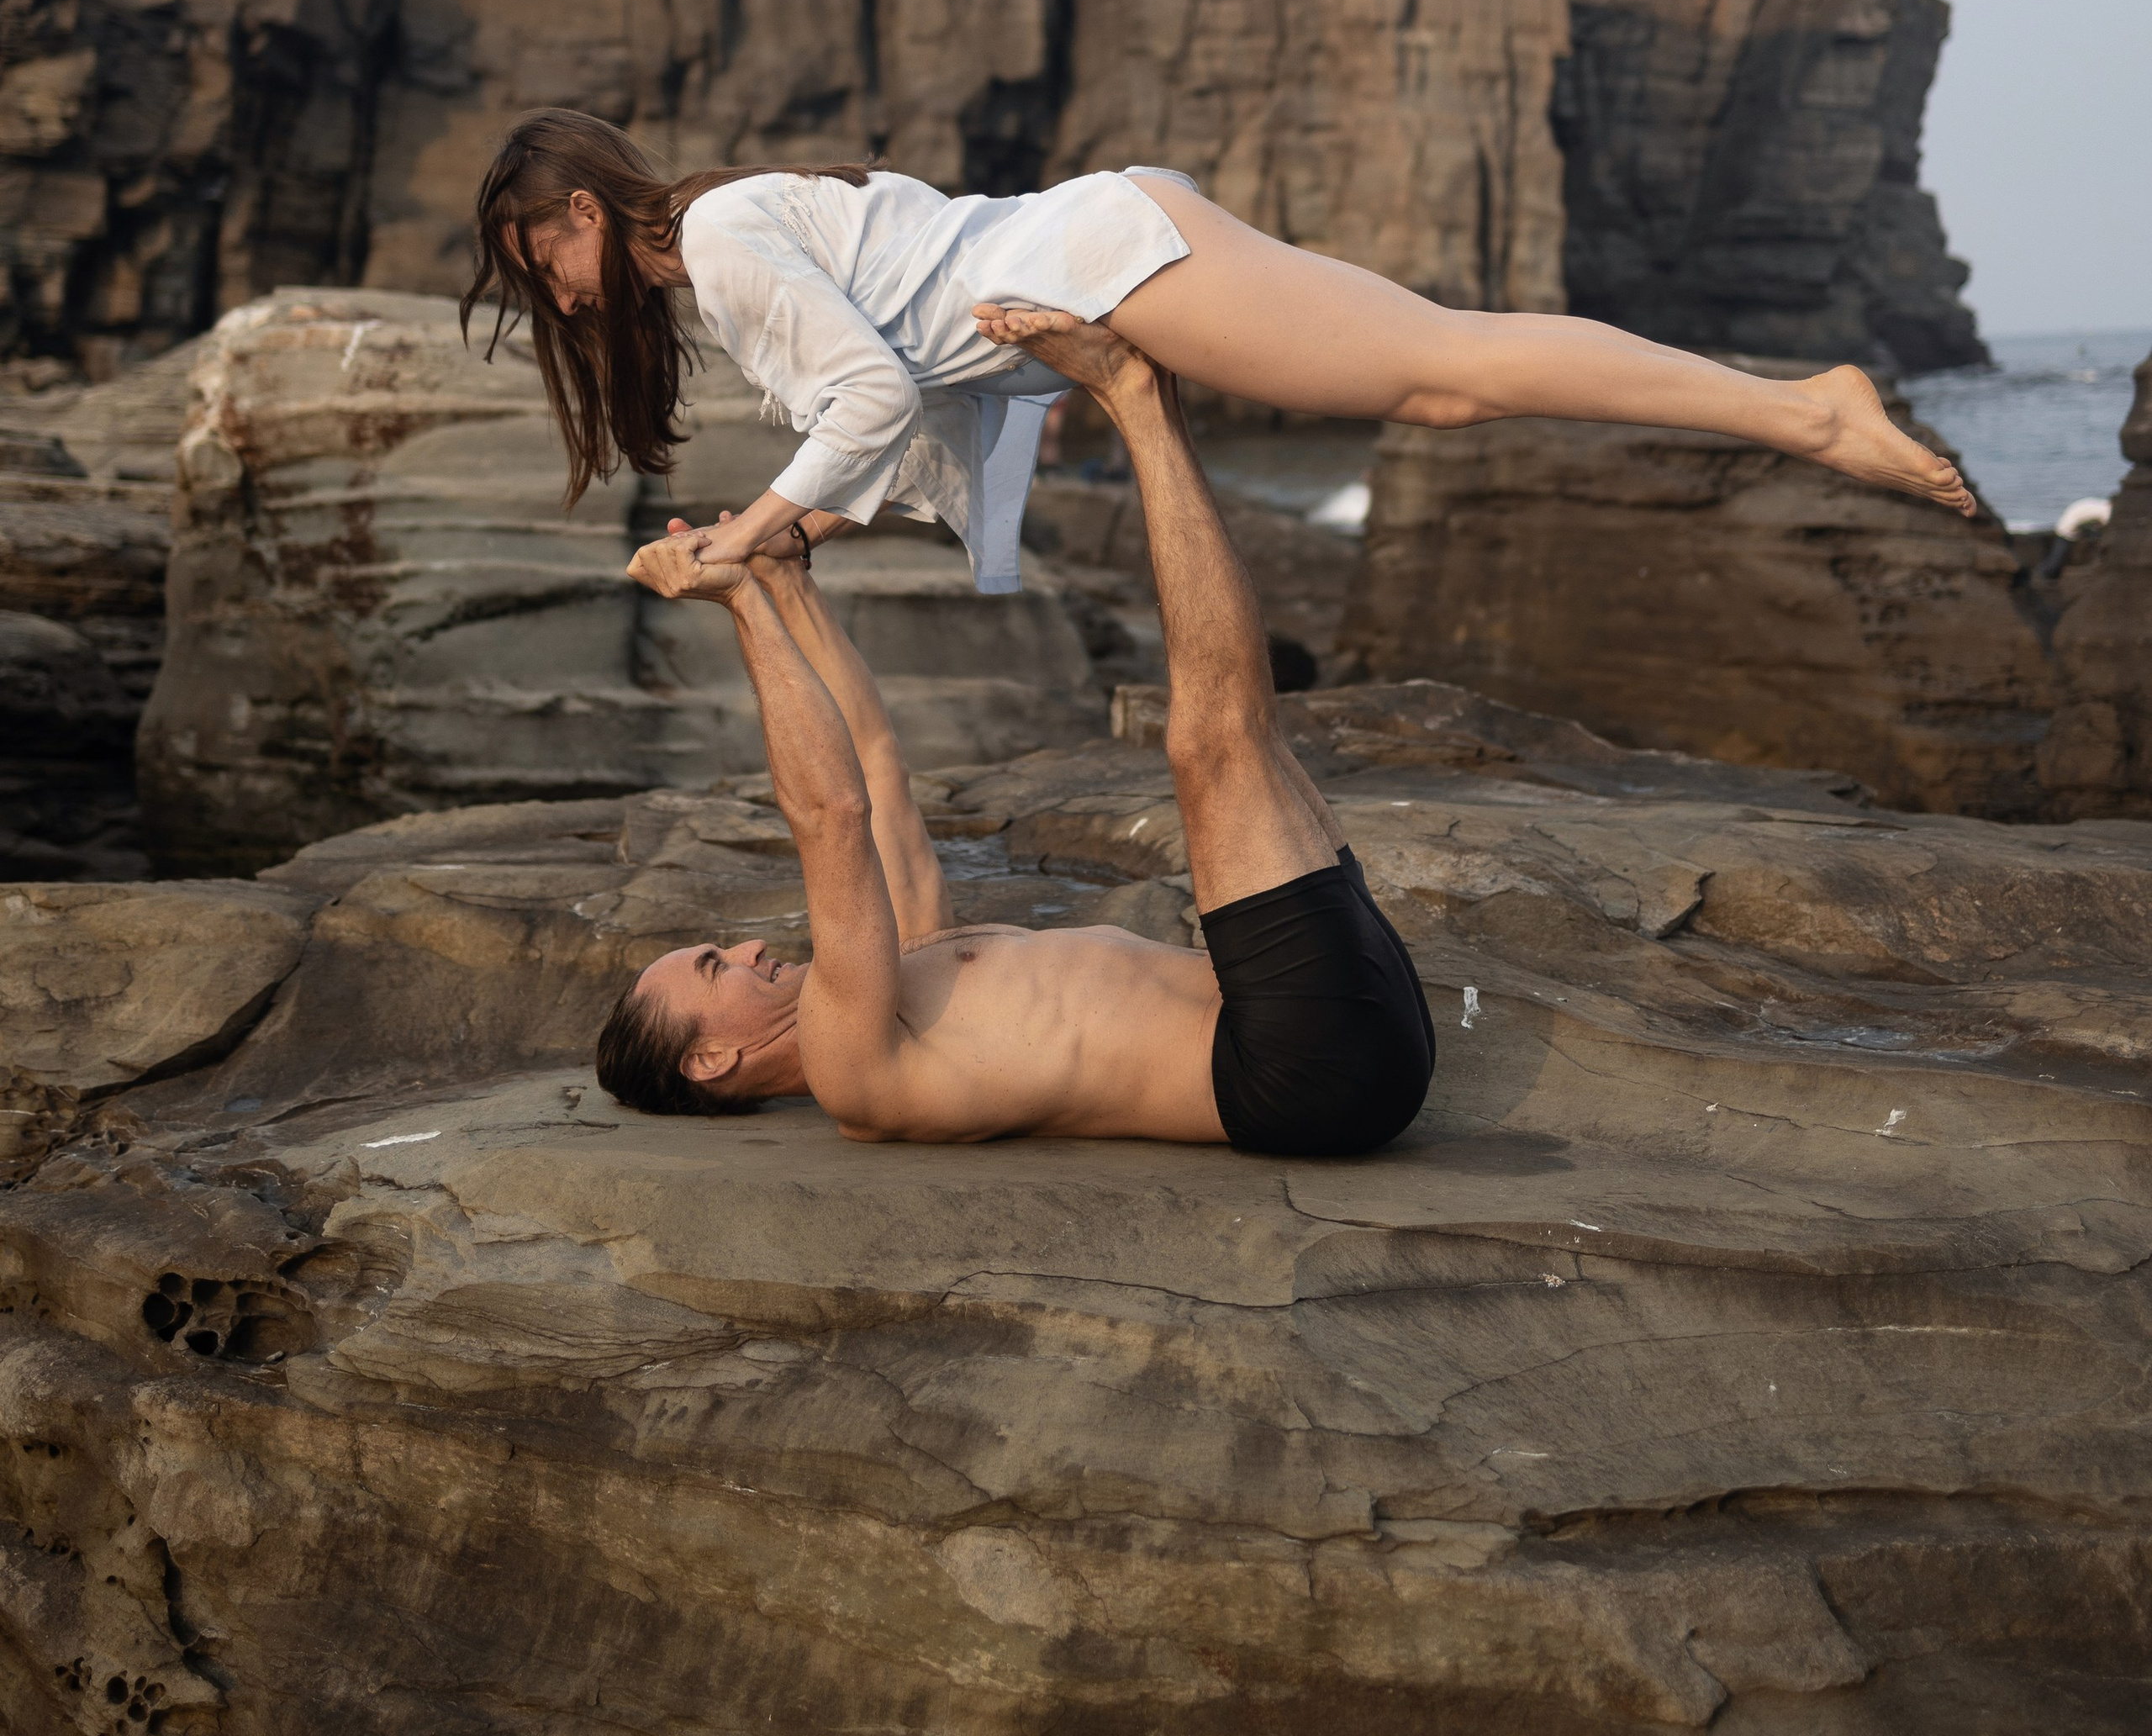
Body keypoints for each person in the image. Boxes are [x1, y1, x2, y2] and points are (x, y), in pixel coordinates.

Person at [466, 109, 1973, 590]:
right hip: (1107, 241)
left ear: (583, 209)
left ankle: (1808, 412)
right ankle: (1800, 412)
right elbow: (893, 411)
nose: (561, 298)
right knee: (1445, 373)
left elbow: (860, 399)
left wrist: (753, 529)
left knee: (1446, 372)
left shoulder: (720, 237)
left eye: (546, 261)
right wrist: (776, 533)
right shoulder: (727, 237)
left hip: (1107, 260)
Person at [595, 312, 1434, 1153]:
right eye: (717, 968)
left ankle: (1146, 390)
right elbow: (831, 817)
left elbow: (874, 766)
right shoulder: (851, 1070)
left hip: (1356, 1017)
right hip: (1299, 1066)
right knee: (1216, 743)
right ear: (711, 1059)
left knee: (1254, 741)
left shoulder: (899, 965)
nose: (748, 947)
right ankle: (1136, 392)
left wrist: (785, 582)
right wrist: (741, 605)